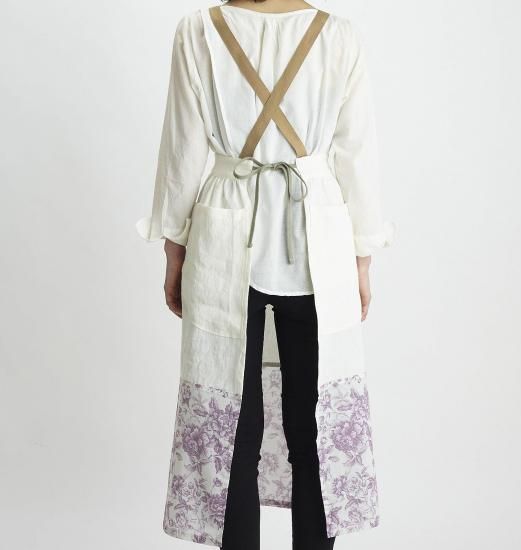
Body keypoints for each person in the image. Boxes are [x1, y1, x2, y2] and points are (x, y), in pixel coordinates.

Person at [136, 1, 395, 549]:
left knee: (234, 425)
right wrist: (362, 257)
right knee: (313, 424)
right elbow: (357, 155)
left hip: (224, 242)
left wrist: (175, 248)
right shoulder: (337, 36)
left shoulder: (200, 31)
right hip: (318, 243)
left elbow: (182, 150)